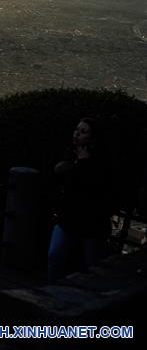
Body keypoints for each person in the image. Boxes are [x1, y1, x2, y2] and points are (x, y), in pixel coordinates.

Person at [47, 117, 112, 284]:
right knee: (55, 255)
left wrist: (83, 163)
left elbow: (93, 187)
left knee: (92, 265)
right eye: (77, 130)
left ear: (93, 137)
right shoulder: (69, 153)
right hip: (67, 218)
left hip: (91, 223)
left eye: (83, 132)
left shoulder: (100, 161)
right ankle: (52, 290)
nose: (77, 134)